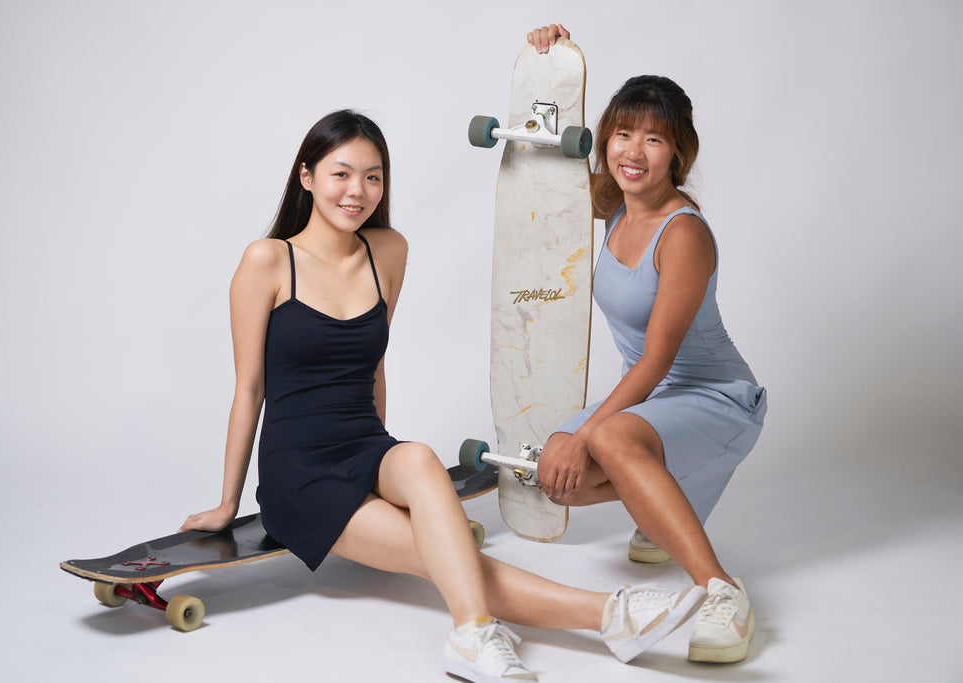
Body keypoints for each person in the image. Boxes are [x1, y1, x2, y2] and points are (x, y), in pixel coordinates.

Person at [181, 109, 707, 682]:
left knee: (418, 459)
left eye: (373, 177)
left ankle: (480, 633)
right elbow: (249, 388)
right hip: (299, 475)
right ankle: (601, 616)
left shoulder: (388, 251)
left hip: (364, 448)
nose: (357, 191)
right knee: (450, 559)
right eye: (341, 174)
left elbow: (374, 367)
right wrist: (228, 503)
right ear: (306, 176)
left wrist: (382, 470)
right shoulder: (267, 260)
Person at [527, 25, 768, 664]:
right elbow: (550, 162)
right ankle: (665, 505)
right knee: (557, 474)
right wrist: (552, 64)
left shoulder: (683, 232)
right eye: (623, 133)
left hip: (716, 396)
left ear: (678, 153)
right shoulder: (614, 203)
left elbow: (658, 361)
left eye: (654, 139)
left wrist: (588, 433)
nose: (634, 151)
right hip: (655, 401)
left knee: (601, 440)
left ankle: (722, 592)